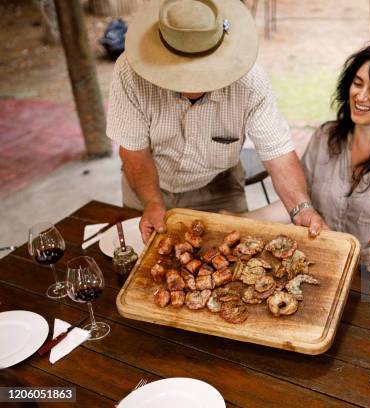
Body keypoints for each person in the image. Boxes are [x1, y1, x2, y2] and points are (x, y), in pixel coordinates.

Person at [106, 0, 326, 243]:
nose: (190, 82)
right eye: (179, 72)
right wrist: (152, 203)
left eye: (200, 70)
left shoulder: (251, 82)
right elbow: (134, 152)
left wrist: (301, 209)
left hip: (218, 186)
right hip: (147, 186)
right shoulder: (130, 72)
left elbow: (278, 153)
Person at [247, 42, 370, 249]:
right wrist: (242, 218)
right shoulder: (326, 137)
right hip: (322, 265)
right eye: (357, 83)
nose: (361, 96)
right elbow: (300, 205)